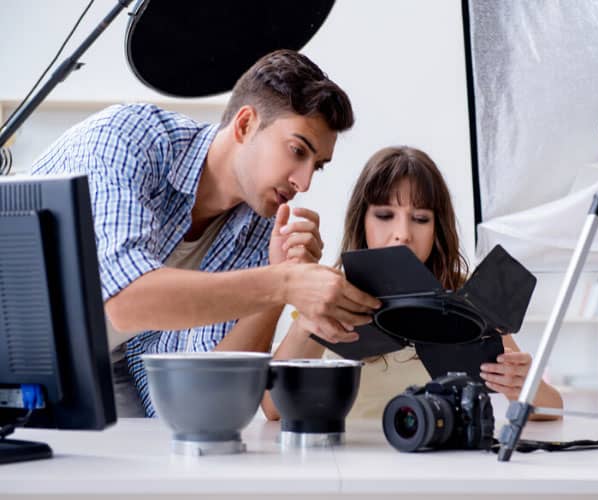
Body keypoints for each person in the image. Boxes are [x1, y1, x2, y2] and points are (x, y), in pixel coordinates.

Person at [31, 49, 380, 417]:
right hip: (22, 342)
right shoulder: (127, 140)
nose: (304, 182)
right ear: (245, 125)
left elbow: (218, 388)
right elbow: (126, 301)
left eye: (318, 167)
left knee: (170, 457)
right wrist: (284, 283)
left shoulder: (260, 224)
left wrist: (278, 282)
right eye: (297, 151)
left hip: (104, 362)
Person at [260, 146, 563, 420]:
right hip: (352, 465)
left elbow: (552, 409)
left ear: (437, 229)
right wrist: (306, 323)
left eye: (420, 219)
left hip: (442, 462)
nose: (402, 233)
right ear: (361, 221)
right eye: (384, 215)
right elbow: (273, 407)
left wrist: (521, 386)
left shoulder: (466, 298)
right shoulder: (330, 292)